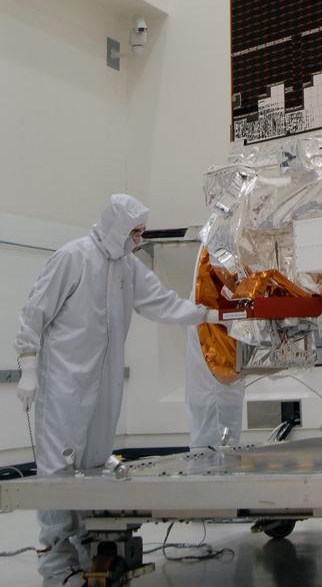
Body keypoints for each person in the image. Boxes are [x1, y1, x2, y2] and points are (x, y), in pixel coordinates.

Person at [15, 194, 222, 586]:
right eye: (135, 232)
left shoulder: (127, 267)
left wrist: (206, 314)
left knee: (92, 463)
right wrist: (28, 366)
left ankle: (82, 545)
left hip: (104, 381)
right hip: (65, 382)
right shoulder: (73, 258)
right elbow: (34, 310)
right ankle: (55, 559)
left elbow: (160, 302)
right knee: (59, 467)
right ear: (115, 227)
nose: (139, 240)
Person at [185, 323, 245, 447]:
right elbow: (225, 372)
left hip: (214, 400)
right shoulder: (212, 314)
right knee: (216, 454)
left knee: (211, 454)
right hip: (217, 405)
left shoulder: (205, 311)